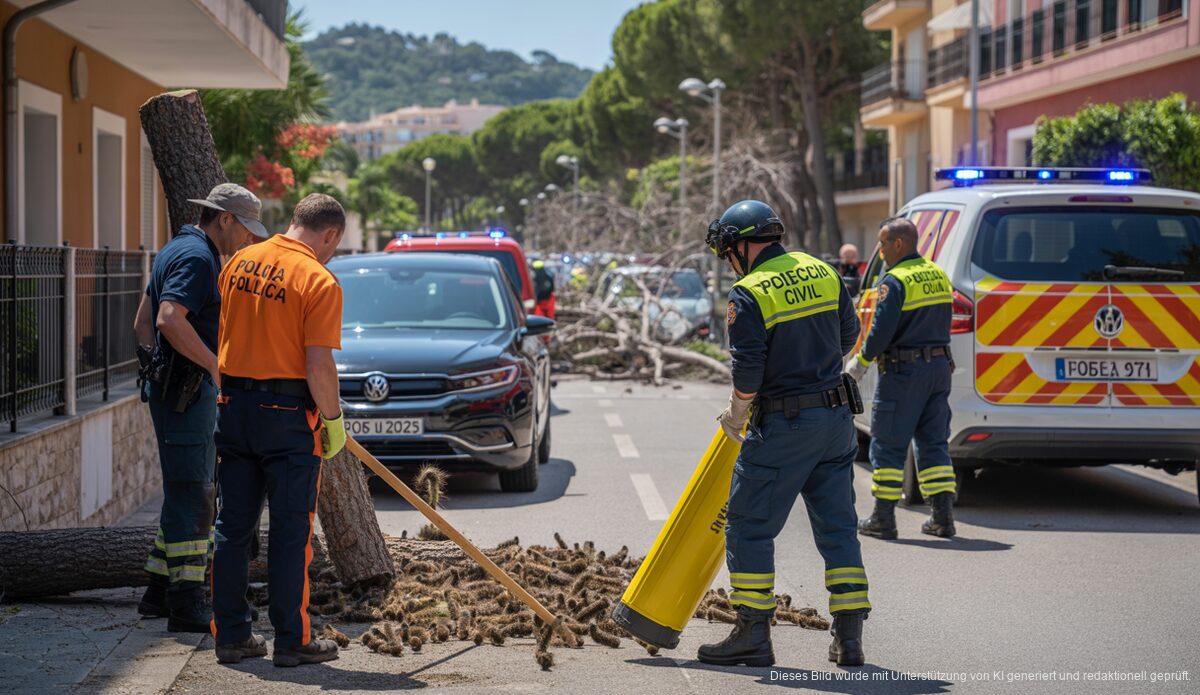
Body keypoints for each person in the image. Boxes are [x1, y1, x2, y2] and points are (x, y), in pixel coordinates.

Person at [699, 200, 871, 668]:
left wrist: (736, 415)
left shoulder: (749, 292)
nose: (729, 261)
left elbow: (748, 373)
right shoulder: (823, 271)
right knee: (838, 529)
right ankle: (849, 638)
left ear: (741, 245)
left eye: (728, 251)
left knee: (749, 525)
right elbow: (847, 337)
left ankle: (753, 633)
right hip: (837, 422)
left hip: (784, 424)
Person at [209, 193, 348, 668]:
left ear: (293, 221)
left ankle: (230, 635)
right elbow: (318, 366)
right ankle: (294, 640)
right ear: (329, 234)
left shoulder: (239, 261)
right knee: (291, 533)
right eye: (333, 244)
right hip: (287, 415)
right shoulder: (318, 279)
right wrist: (332, 422)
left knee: (231, 528)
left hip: (232, 406)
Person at [133, 183, 267, 632]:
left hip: (175, 392)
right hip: (188, 394)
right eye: (245, 229)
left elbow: (141, 323)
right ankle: (186, 603)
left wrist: (159, 373)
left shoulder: (176, 247)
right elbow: (168, 319)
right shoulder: (198, 258)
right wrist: (211, 367)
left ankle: (156, 591)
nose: (248, 240)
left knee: (183, 489)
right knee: (194, 495)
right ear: (224, 219)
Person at [846, 217, 956, 540]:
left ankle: (883, 518)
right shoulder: (938, 274)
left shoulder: (894, 282)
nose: (879, 251)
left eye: (881, 244)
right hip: (938, 369)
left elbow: (881, 332)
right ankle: (942, 518)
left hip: (904, 372)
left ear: (898, 244)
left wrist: (859, 363)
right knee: (934, 444)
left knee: (889, 445)